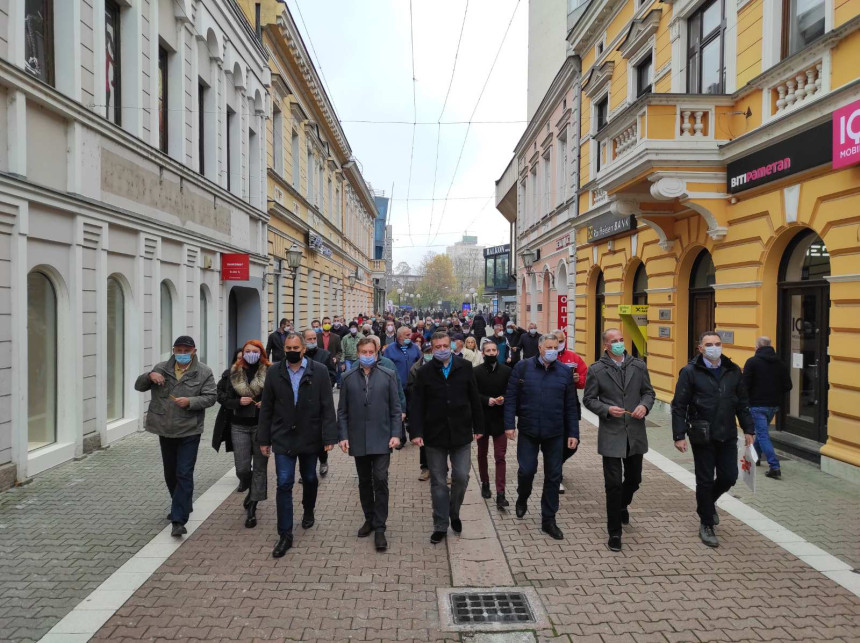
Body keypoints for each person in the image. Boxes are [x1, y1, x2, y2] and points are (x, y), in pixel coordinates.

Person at [671, 331, 755, 548]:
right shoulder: (690, 371)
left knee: (729, 477)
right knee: (705, 480)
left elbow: (742, 403)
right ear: (700, 348)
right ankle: (706, 524)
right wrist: (679, 435)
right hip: (702, 434)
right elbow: (679, 405)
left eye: (717, 344)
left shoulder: (733, 370)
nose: (714, 348)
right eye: (709, 344)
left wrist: (749, 429)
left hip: (727, 434)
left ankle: (705, 505)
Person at [258, 332, 337, 558]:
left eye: (295, 348)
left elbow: (327, 406)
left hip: (310, 436)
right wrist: (264, 439)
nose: (291, 351)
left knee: (310, 478)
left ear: (303, 349)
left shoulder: (319, 371)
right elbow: (267, 408)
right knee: (284, 483)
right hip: (283, 436)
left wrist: (329, 437)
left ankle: (309, 509)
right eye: (288, 348)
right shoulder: (274, 372)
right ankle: (285, 534)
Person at [134, 336, 216, 537]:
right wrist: (149, 375)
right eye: (178, 350)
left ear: (194, 351)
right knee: (170, 473)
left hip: (189, 430)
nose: (182, 354)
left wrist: (190, 401)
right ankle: (181, 504)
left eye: (186, 351)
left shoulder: (203, 372)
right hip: (165, 429)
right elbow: (139, 386)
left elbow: (211, 397)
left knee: (184, 472)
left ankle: (178, 519)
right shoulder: (161, 368)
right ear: (173, 350)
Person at [583, 329, 656, 552]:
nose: (619, 344)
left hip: (634, 432)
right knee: (613, 485)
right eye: (613, 341)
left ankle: (623, 505)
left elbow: (649, 393)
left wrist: (644, 405)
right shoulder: (596, 370)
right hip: (611, 433)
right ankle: (614, 533)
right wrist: (606, 409)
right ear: (605, 345)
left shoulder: (638, 365)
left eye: (621, 340)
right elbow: (588, 399)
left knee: (634, 479)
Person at [504, 333, 579, 540]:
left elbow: (571, 406)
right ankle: (523, 497)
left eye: (556, 346)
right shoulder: (523, 368)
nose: (553, 350)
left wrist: (573, 432)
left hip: (555, 433)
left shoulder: (564, 372)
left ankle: (549, 519)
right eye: (549, 347)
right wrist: (509, 424)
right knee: (527, 471)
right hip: (528, 430)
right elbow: (510, 397)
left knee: (553, 476)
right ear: (539, 348)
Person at [410, 332, 484, 544]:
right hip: (435, 435)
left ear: (451, 346)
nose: (442, 349)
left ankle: (454, 511)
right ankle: (440, 524)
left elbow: (474, 398)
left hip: (461, 432)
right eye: (437, 347)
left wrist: (479, 426)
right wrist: (416, 432)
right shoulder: (424, 372)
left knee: (461, 476)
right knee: (439, 482)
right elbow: (416, 405)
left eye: (445, 345)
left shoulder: (465, 367)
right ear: (431, 349)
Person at [338, 337, 402, 552]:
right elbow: (343, 411)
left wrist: (396, 433)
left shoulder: (388, 375)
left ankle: (380, 526)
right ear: (357, 353)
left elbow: (395, 408)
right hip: (358, 438)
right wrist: (343, 435)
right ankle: (369, 518)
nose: (367, 355)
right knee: (364, 480)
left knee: (380, 479)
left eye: (370, 352)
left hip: (383, 437)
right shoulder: (347, 378)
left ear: (377, 353)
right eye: (363, 352)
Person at [213, 340, 270, 528]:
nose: (251, 354)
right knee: (242, 468)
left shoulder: (270, 372)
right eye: (248, 351)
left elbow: (281, 395)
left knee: (260, 468)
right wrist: (237, 403)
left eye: (255, 351)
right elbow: (219, 395)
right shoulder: (232, 372)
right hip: (238, 425)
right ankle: (250, 486)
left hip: (262, 426)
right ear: (242, 353)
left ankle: (252, 507)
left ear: (261, 353)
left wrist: (268, 404)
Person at [743, 336, 792, 479]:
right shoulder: (780, 363)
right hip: (773, 406)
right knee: (761, 432)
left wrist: (743, 401)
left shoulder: (752, 362)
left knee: (763, 434)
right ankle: (756, 457)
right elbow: (788, 385)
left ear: (757, 347)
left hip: (757, 405)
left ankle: (774, 466)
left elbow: (744, 385)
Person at [474, 340, 512, 509]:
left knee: (500, 456)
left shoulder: (506, 371)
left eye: (493, 350)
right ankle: (485, 482)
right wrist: (486, 400)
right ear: (483, 353)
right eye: (487, 350)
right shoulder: (475, 372)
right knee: (482, 454)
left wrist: (502, 398)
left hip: (500, 418)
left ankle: (501, 493)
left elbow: (511, 392)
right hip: (482, 419)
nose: (490, 353)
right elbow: (473, 394)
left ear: (498, 352)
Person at [303, 328, 337, 477]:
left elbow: (332, 374)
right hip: (303, 403)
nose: (312, 341)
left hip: (319, 401)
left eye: (313, 339)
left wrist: (323, 386)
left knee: (319, 435)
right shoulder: (299, 355)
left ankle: (323, 460)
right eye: (308, 339)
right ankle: (306, 471)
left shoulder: (325, 355)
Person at [383, 326, 421, 445]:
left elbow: (420, 362)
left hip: (413, 385)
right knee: (399, 411)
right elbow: (386, 366)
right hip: (397, 385)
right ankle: (401, 436)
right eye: (407, 335)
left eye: (410, 334)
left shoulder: (415, 348)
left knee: (413, 410)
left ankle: (414, 432)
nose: (410, 337)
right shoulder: (390, 349)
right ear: (399, 337)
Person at [320, 317, 343, 385]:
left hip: (331, 362)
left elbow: (339, 351)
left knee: (330, 381)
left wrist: (336, 358)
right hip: (320, 361)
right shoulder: (317, 336)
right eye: (325, 323)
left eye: (329, 323)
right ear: (322, 324)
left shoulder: (336, 337)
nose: (327, 324)